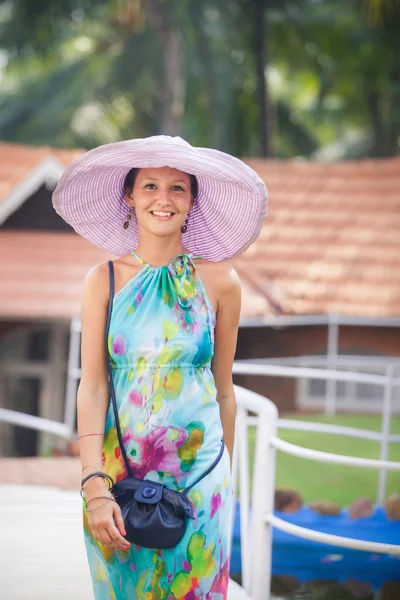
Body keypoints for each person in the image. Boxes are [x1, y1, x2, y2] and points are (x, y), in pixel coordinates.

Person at [52, 135, 268, 599]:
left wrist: (223, 475)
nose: (163, 199)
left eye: (178, 188)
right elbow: (91, 387)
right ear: (129, 197)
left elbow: (224, 389)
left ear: (192, 202)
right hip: (119, 475)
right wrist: (93, 483)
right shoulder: (103, 281)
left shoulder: (221, 283)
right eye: (149, 185)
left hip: (200, 476)